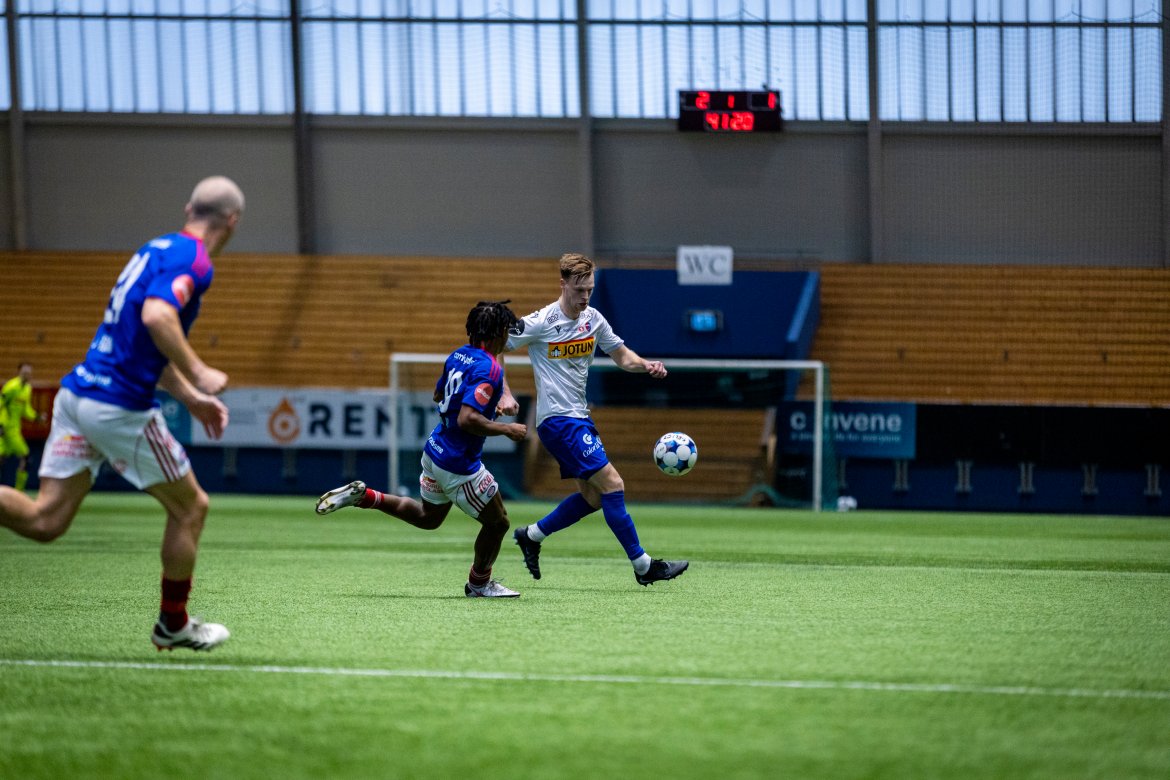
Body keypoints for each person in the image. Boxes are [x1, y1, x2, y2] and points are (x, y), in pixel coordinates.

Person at [0, 175, 244, 652]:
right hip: (118, 408)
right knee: (191, 507)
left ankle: (173, 622)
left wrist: (190, 399)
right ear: (232, 221)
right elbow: (157, 317)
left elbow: (147, 338)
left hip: (77, 396)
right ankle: (173, 623)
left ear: (188, 208)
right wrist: (199, 372)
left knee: (45, 520)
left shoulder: (155, 249)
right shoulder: (194, 260)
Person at [316, 300, 529, 598]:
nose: (508, 336)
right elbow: (467, 419)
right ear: (497, 334)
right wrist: (507, 429)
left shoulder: (458, 355)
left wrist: (487, 406)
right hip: (458, 463)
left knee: (428, 518)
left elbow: (438, 394)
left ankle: (365, 497)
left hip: (434, 450)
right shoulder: (490, 368)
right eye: (506, 330)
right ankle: (479, 584)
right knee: (498, 523)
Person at [505, 252, 688, 586]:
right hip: (558, 421)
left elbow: (622, 356)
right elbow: (495, 346)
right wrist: (503, 392)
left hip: (579, 418)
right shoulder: (541, 321)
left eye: (589, 289)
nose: (585, 296)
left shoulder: (594, 319)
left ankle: (531, 535)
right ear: (563, 284)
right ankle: (644, 566)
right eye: (579, 290)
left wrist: (645, 365)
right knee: (613, 484)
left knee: (593, 497)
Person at [0, 362, 45, 491]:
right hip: (7, 428)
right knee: (26, 457)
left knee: (2, 458)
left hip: (15, 428)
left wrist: (37, 417)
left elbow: (26, 409)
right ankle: (19, 491)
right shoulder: (11, 387)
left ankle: (15, 492)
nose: (27, 375)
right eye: (24, 373)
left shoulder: (27, 389)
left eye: (29, 373)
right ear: (19, 372)